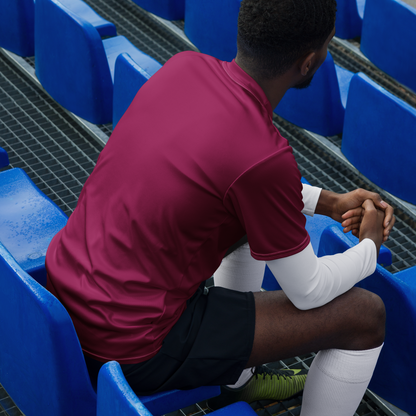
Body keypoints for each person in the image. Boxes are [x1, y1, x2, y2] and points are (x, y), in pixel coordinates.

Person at [45, 0, 395, 414]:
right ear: (309, 62)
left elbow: (231, 182)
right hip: (133, 344)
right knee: (364, 316)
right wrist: (369, 248)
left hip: (67, 301)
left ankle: (238, 383)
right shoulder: (264, 155)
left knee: (246, 223)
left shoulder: (184, 68)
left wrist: (327, 202)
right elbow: (308, 290)